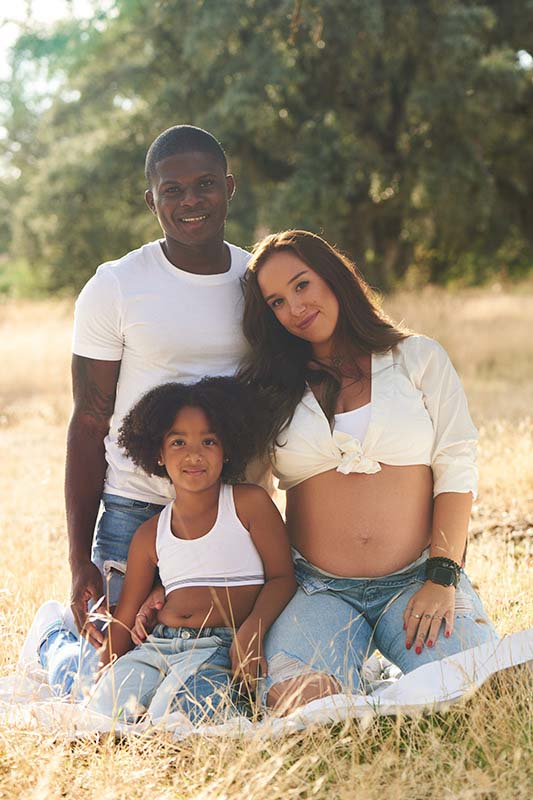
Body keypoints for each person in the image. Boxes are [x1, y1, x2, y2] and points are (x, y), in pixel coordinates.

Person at [19, 125, 255, 695]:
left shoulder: (257, 281)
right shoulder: (117, 287)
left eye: (205, 185)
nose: (190, 201)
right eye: (172, 190)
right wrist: (80, 560)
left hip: (229, 508)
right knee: (103, 683)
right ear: (151, 200)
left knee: (221, 674)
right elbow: (89, 420)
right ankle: (53, 638)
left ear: (229, 188)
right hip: (135, 508)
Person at [239, 229, 499, 713]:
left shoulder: (417, 357)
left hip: (418, 578)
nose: (295, 308)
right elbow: (248, 497)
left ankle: (386, 675)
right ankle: (357, 675)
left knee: (476, 691)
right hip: (317, 588)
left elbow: (456, 463)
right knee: (303, 706)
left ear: (333, 276)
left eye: (302, 284)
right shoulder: (270, 390)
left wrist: (442, 577)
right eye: (276, 302)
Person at [40, 377, 296, 723]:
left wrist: (253, 629)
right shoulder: (150, 534)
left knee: (182, 716)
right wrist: (101, 676)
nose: (194, 454)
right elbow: (126, 616)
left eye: (209, 441)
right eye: (178, 442)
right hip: (157, 646)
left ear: (227, 448)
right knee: (103, 712)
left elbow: (282, 578)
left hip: (217, 648)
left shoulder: (248, 504)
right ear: (158, 454)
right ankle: (51, 635)